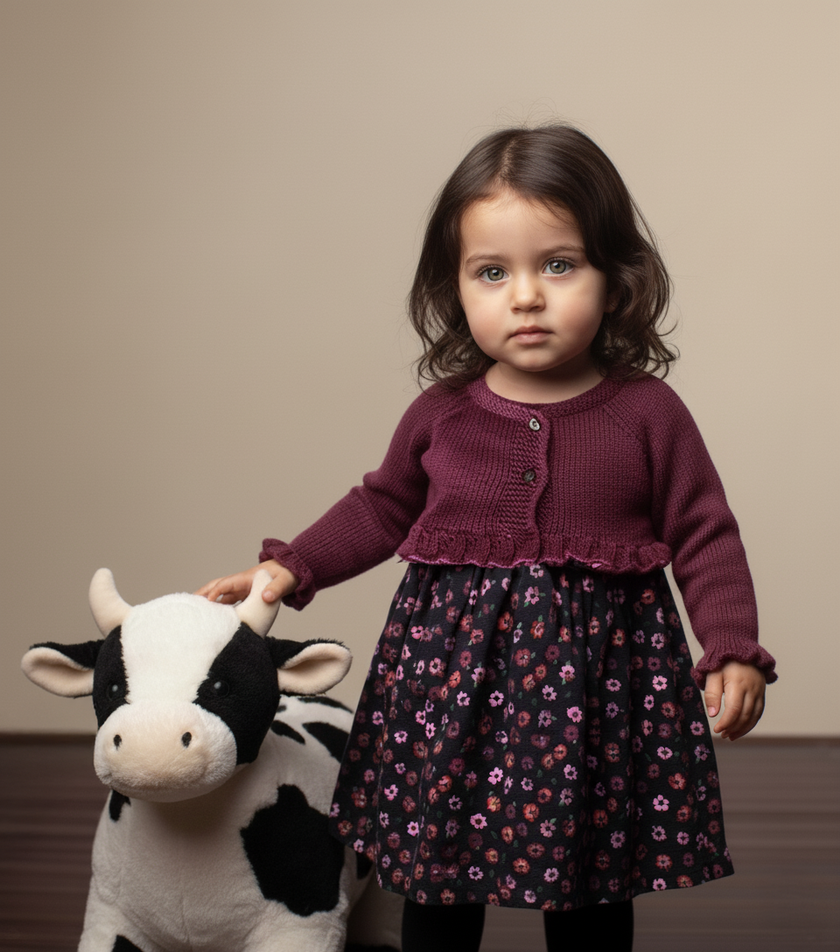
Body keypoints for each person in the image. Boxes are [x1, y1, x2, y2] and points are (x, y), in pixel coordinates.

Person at [198, 125, 776, 952]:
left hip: (598, 698)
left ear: (616, 280)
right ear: (457, 289)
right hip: (450, 695)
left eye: (560, 265)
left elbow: (705, 530)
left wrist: (733, 648)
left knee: (592, 875)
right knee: (438, 865)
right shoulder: (443, 414)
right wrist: (288, 570)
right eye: (493, 272)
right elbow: (381, 505)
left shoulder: (649, 415)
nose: (527, 296)